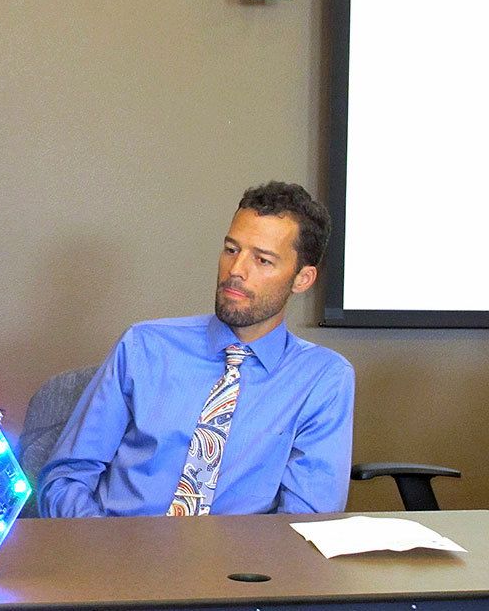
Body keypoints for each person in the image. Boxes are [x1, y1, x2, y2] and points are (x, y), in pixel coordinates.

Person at [38, 181, 354, 517]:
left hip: (237, 567)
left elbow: (306, 520)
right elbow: (64, 479)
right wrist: (104, 554)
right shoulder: (145, 346)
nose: (236, 271)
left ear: (302, 279)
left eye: (262, 260)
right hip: (117, 552)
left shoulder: (323, 379)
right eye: (232, 250)